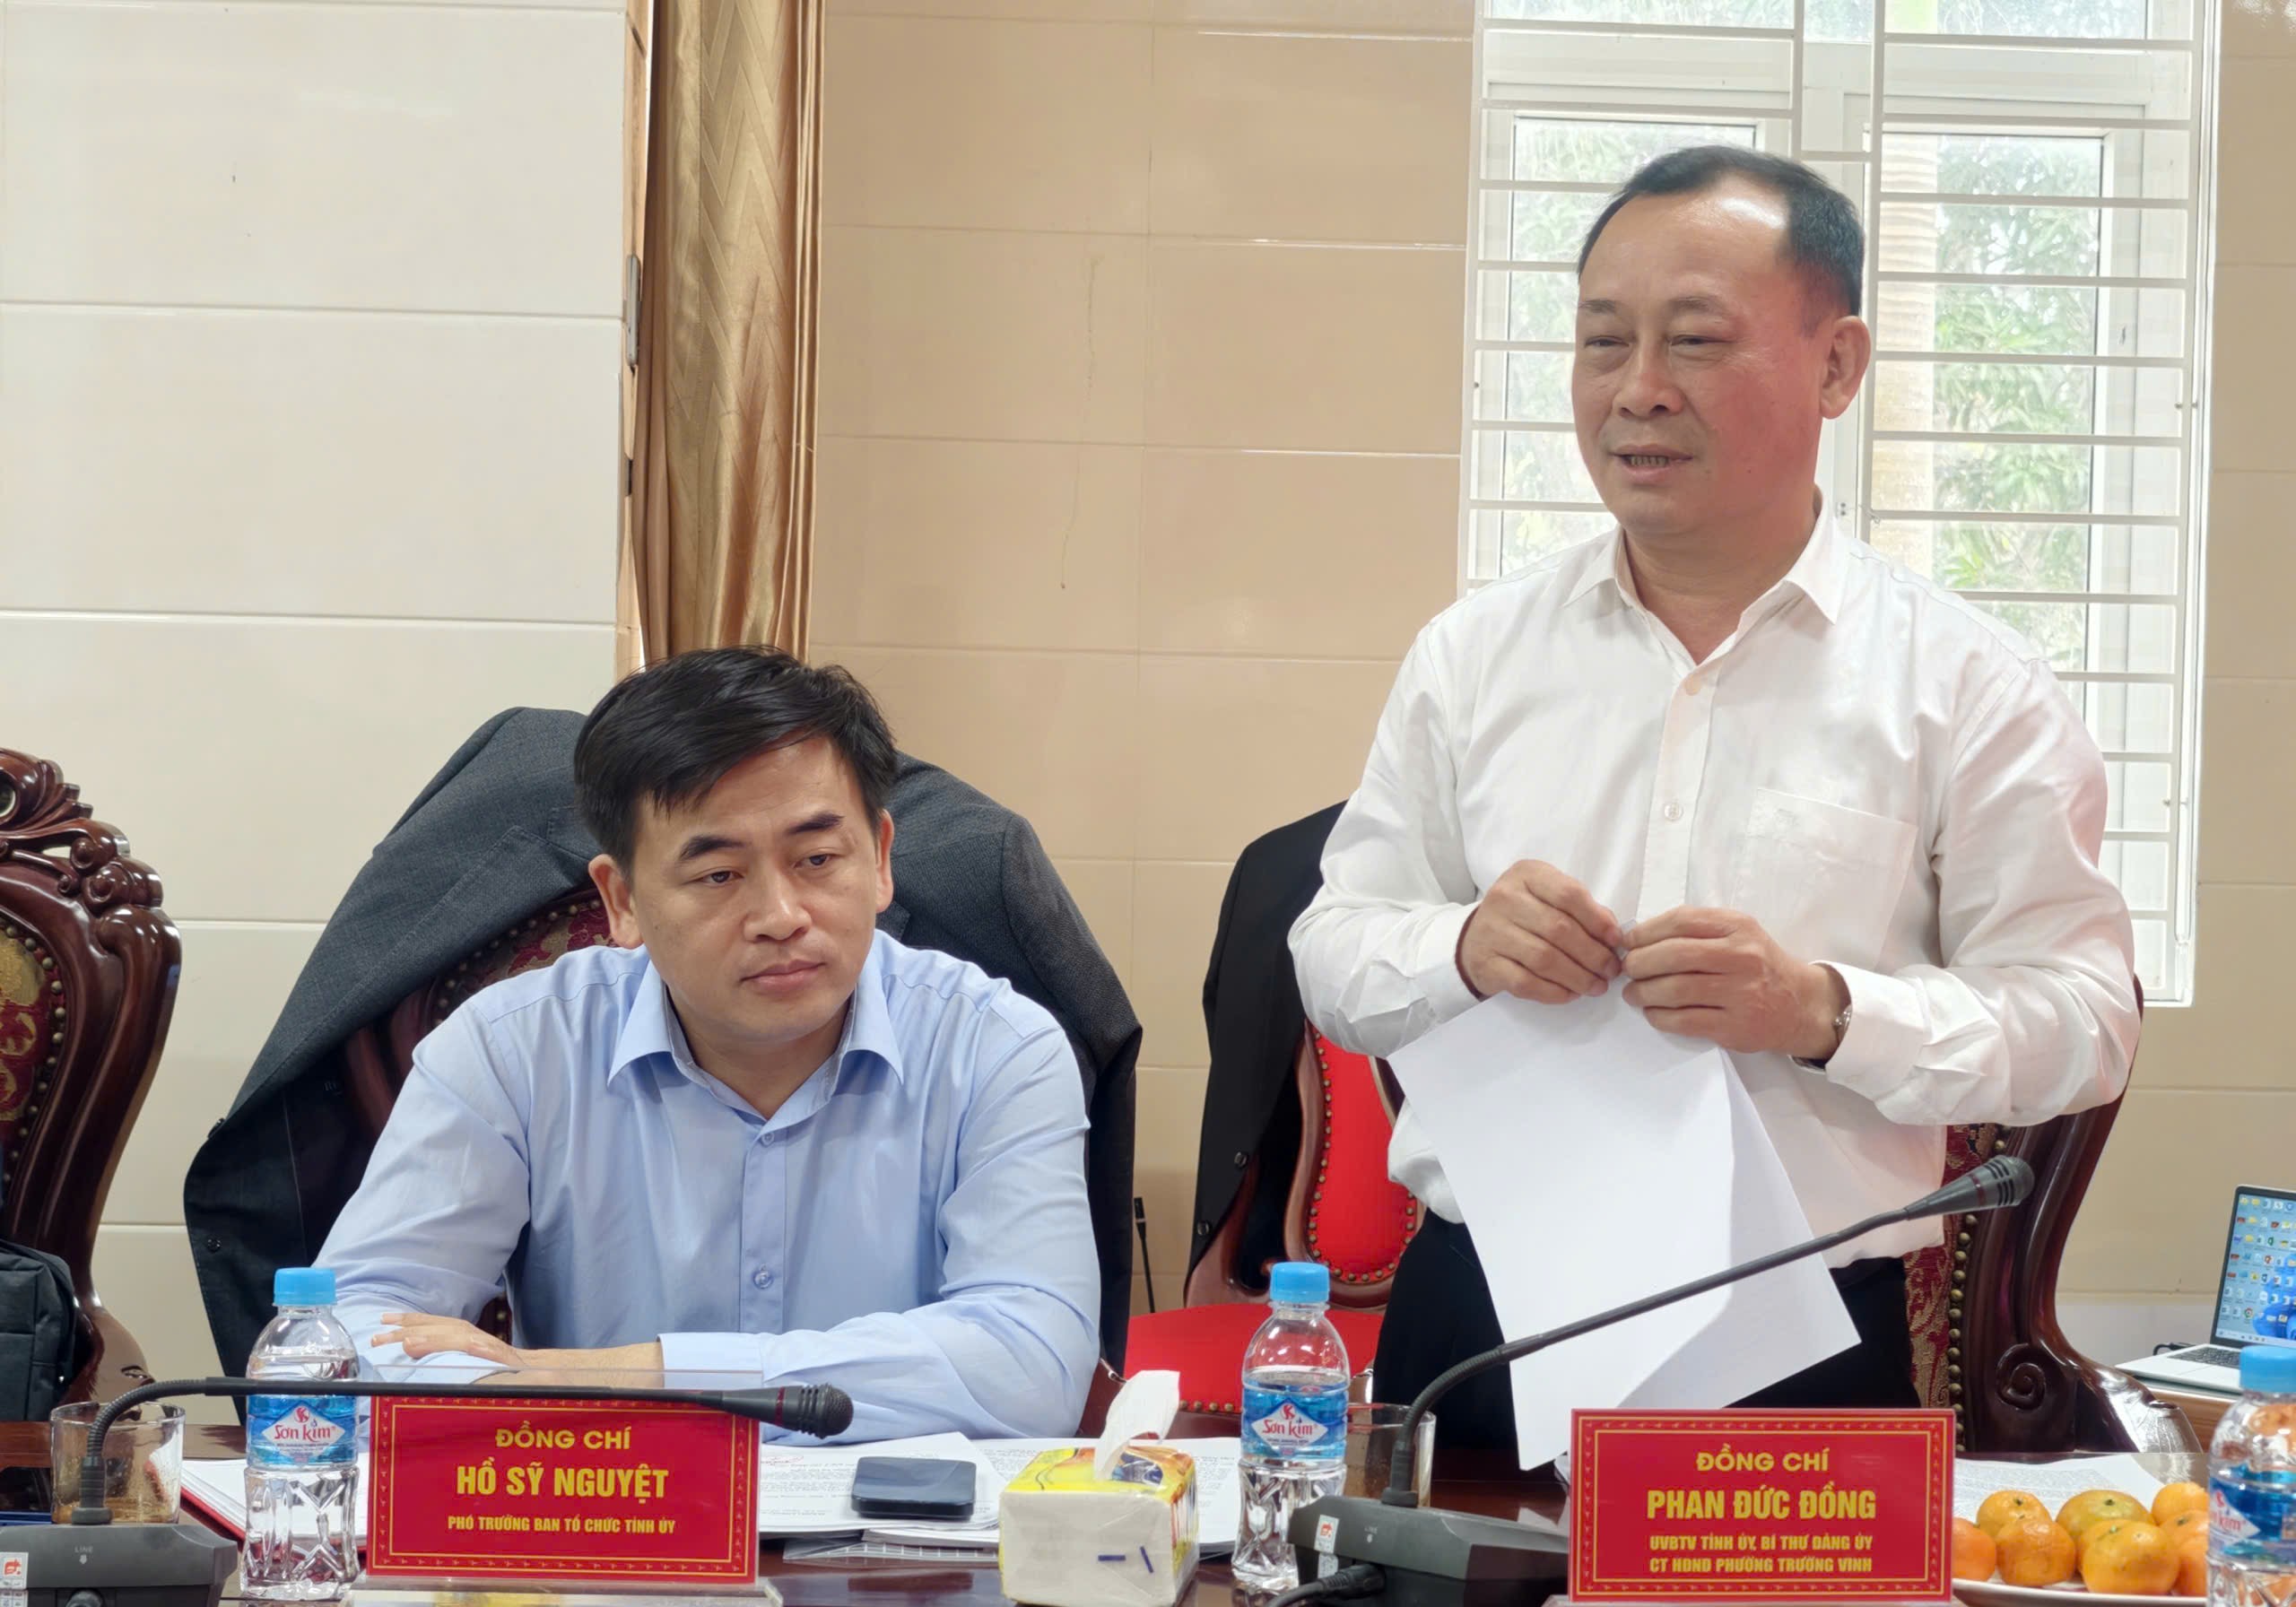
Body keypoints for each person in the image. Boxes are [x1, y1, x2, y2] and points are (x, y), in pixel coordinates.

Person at [1289, 146, 2140, 1446]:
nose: (1637, 390)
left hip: (1799, 1333)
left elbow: (2081, 1020)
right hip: (1484, 1320)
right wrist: (1459, 946)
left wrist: (1826, 1011)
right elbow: (1333, 952)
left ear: (1837, 366)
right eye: (1602, 341)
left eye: (1693, 340)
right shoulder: (1472, 657)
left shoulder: (1967, 684)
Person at [315, 647, 1101, 1440]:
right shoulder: (512, 1049)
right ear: (622, 900)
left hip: (890, 1520)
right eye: (719, 875)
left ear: (881, 860)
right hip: (610, 1506)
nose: (782, 916)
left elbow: (1032, 1371)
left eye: (818, 859)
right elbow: (332, 1349)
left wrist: (602, 1376)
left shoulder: (998, 1050)